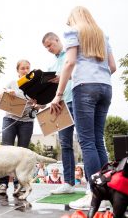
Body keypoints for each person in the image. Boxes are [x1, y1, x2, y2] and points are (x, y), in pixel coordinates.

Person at [50, 6, 116, 210]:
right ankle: (107, 192)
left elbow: (69, 62)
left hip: (84, 88)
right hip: (105, 87)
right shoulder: (102, 35)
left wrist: (58, 95)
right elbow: (113, 66)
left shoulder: (74, 32)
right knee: (98, 140)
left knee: (86, 142)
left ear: (74, 20)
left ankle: (94, 193)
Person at [0, 59, 44, 196]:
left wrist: (38, 105)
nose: (26, 70)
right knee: (6, 151)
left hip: (27, 122)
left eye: (28, 68)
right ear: (18, 71)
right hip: (10, 119)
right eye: (22, 68)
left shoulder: (36, 86)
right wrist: (8, 93)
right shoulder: (12, 83)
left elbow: (43, 105)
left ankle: (20, 184)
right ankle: (3, 184)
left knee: (22, 154)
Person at [42, 32, 75, 194]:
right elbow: (50, 90)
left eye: (50, 45)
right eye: (46, 47)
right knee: (65, 143)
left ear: (57, 40)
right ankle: (68, 183)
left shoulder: (71, 53)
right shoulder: (50, 66)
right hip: (61, 106)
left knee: (85, 140)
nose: (49, 48)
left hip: (77, 99)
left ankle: (94, 182)